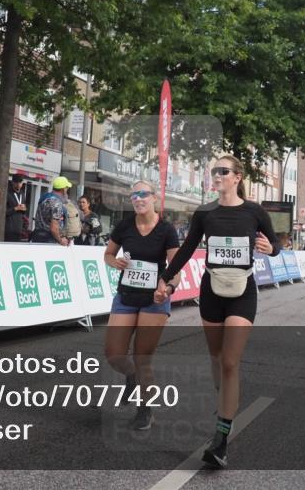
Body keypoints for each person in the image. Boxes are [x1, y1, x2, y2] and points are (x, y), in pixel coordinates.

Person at [154, 155, 281, 469]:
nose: (217, 175)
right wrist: (166, 278)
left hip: (242, 291)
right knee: (216, 360)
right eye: (214, 171)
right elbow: (187, 248)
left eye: (223, 171)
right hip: (211, 289)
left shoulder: (255, 212)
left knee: (229, 361)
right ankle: (226, 400)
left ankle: (221, 439)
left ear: (237, 177)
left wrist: (271, 249)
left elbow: (276, 244)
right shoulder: (205, 212)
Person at [104, 181, 180, 431]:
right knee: (114, 354)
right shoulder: (125, 226)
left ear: (154, 198)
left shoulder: (166, 230)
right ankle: (131, 375)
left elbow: (175, 269)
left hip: (154, 299)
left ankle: (145, 410)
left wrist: (167, 288)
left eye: (143, 194)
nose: (138, 199)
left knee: (142, 357)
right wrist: (114, 262)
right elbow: (108, 254)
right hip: (126, 296)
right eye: (133, 195)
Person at [30, 176, 71, 245]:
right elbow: (54, 229)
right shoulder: (56, 203)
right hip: (48, 239)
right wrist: (61, 240)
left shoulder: (45, 197)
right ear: (63, 189)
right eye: (67, 188)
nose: (67, 190)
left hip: (37, 236)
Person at [4, 175, 28, 242]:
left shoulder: (22, 194)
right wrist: (15, 208)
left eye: (20, 182)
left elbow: (24, 211)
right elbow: (3, 212)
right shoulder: (7, 193)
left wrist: (24, 209)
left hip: (19, 228)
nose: (18, 184)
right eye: (16, 182)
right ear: (12, 182)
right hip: (9, 229)